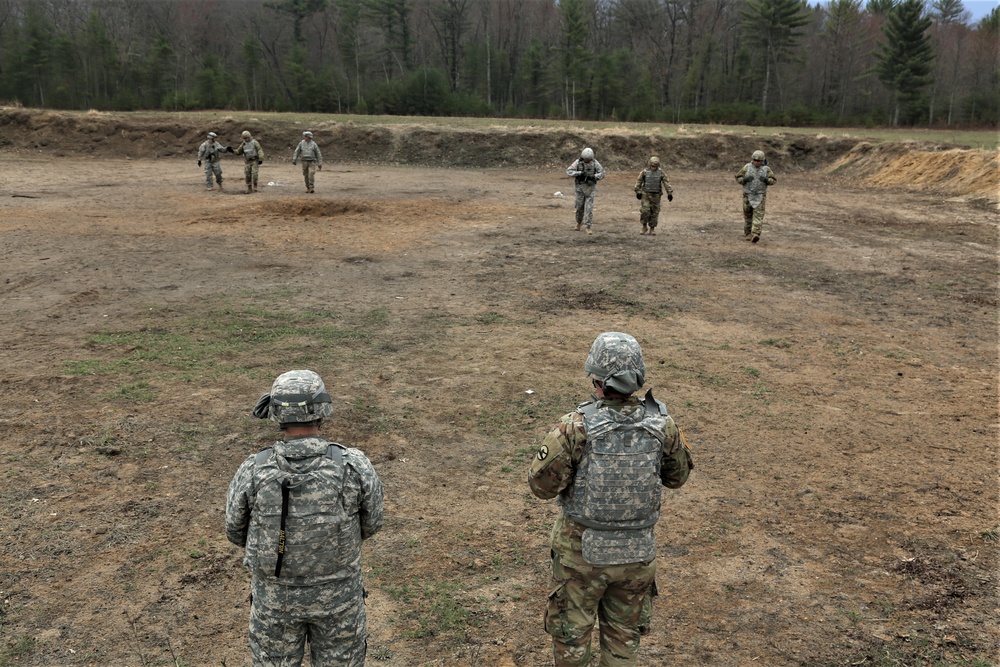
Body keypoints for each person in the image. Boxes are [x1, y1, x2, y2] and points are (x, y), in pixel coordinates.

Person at [528, 332, 693, 667]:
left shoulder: (575, 427)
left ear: (598, 379)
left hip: (582, 558)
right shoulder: (663, 423)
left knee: (572, 643)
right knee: (623, 647)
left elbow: (541, 486)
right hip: (637, 556)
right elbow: (677, 478)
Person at [226, 369, 384, 667]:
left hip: (275, 602)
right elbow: (372, 522)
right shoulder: (353, 465)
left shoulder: (253, 469)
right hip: (338, 600)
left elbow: (235, 530)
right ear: (322, 412)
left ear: (276, 415)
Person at [735, 149, 777, 243]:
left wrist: (766, 180)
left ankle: (755, 234)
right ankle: (748, 233)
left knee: (758, 215)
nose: (757, 162)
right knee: (748, 215)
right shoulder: (747, 167)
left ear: (763, 161)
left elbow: (773, 180)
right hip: (747, 195)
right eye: (755, 160)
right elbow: (738, 177)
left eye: (759, 161)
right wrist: (745, 179)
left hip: (760, 196)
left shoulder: (766, 169)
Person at [565, 147, 605, 235]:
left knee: (589, 208)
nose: (587, 161)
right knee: (579, 207)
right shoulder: (577, 162)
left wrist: (593, 176)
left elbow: (602, 173)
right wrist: (579, 173)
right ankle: (579, 222)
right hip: (579, 188)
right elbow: (569, 171)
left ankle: (588, 226)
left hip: (590, 188)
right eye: (586, 159)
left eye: (588, 160)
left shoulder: (595, 163)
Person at [633, 156, 673, 236]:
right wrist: (638, 191)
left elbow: (666, 182)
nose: (653, 168)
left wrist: (669, 193)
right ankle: (644, 226)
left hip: (656, 195)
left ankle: (652, 228)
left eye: (655, 166)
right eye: (652, 166)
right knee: (645, 211)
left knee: (654, 212)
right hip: (646, 195)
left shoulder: (660, 172)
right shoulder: (645, 172)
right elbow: (639, 181)